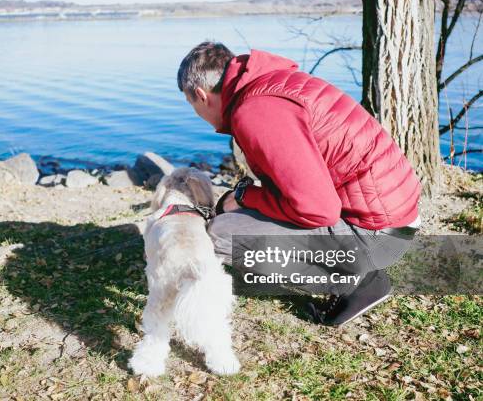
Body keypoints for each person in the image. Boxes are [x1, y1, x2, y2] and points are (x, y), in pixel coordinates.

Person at [177, 41, 421, 327]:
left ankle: (357, 284)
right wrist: (245, 198)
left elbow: (318, 210)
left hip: (377, 234)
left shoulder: (255, 111)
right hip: (392, 215)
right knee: (234, 213)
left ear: (201, 94)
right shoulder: (272, 85)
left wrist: (246, 196)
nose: (199, 116)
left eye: (192, 105)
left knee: (220, 234)